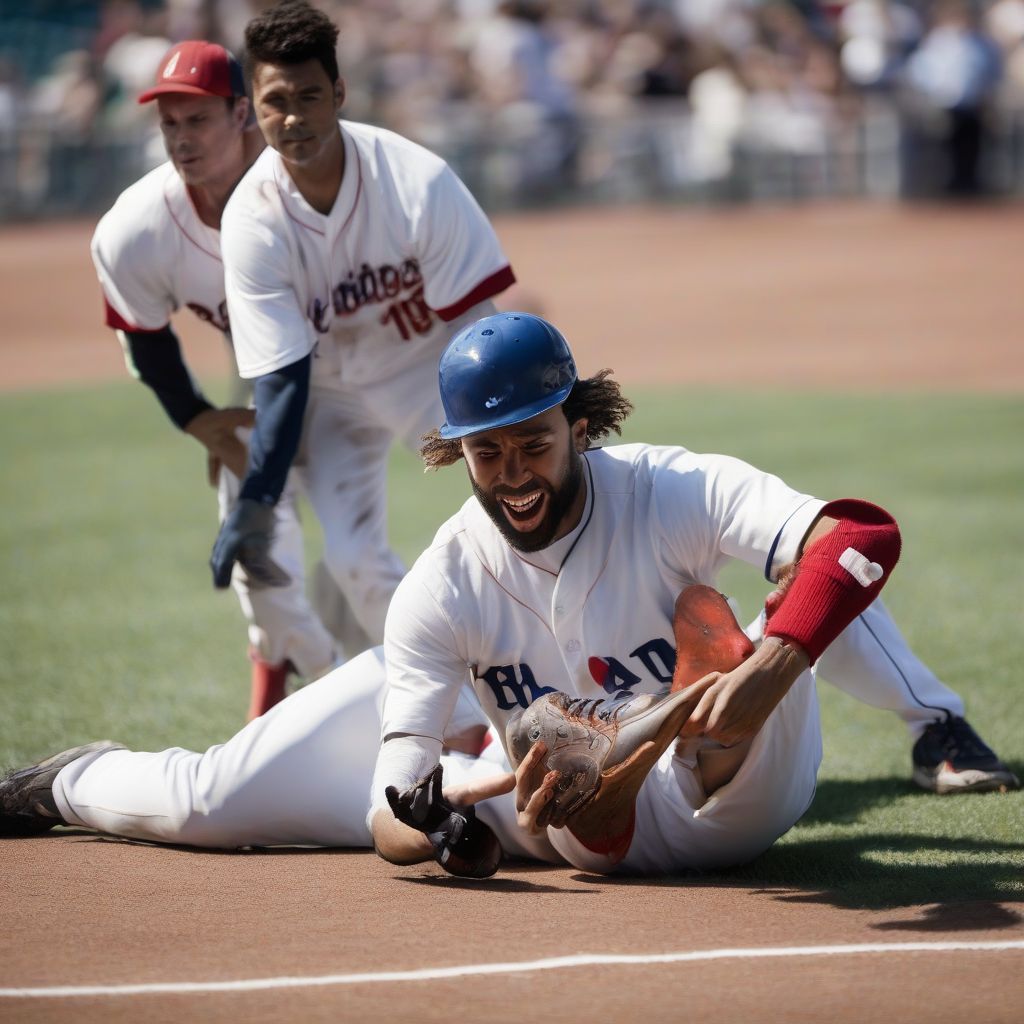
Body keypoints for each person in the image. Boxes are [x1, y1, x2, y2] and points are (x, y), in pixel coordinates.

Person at [369, 312, 1018, 877]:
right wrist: (441, 834)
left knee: (813, 581)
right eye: (486, 453)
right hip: (566, 834)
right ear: (460, 453)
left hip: (731, 805)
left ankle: (695, 717)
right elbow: (386, 811)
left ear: (581, 429)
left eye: (534, 444)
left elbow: (862, 535)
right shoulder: (440, 582)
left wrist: (778, 662)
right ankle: (654, 721)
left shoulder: (669, 489)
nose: (512, 474)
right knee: (294, 785)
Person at [208, 0, 517, 666]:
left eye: (310, 96)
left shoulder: (416, 180)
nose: (292, 118)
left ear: (340, 93)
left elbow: (478, 327)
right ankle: (460, 708)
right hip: (332, 393)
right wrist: (259, 500)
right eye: (274, 100)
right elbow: (282, 381)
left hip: (428, 371)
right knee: (354, 561)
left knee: (521, 502)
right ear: (251, 107)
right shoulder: (252, 221)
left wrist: (506, 428)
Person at [90, 38, 347, 720]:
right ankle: (319, 694)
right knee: (256, 563)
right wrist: (198, 419)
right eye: (169, 123)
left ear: (241, 114)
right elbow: (143, 336)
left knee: (362, 562)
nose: (181, 138)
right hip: (269, 390)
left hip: (362, 380)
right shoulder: (137, 229)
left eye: (197, 118)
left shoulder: (311, 191)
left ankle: (428, 714)